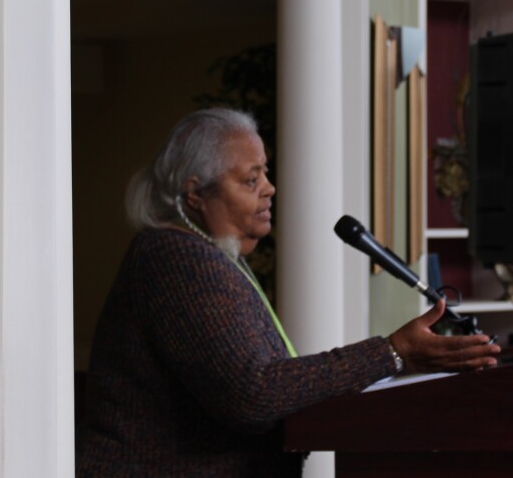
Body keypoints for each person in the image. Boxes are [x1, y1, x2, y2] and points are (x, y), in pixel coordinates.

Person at [76, 108, 500, 477]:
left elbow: (264, 385)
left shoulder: (212, 256)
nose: (270, 188)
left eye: (265, 172)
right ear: (196, 194)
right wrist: (390, 352)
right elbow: (252, 394)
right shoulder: (175, 258)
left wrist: (400, 366)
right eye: (250, 179)